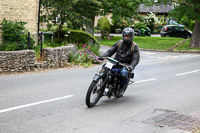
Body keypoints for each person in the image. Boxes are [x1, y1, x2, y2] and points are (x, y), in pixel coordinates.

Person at [99, 27, 140, 94]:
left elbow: (136, 59)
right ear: (123, 35)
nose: (126, 38)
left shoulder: (134, 46)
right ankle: (104, 83)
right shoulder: (119, 43)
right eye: (125, 36)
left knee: (123, 74)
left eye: (128, 37)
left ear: (131, 37)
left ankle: (122, 87)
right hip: (115, 61)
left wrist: (131, 66)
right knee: (105, 67)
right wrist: (103, 56)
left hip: (126, 64)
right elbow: (110, 51)